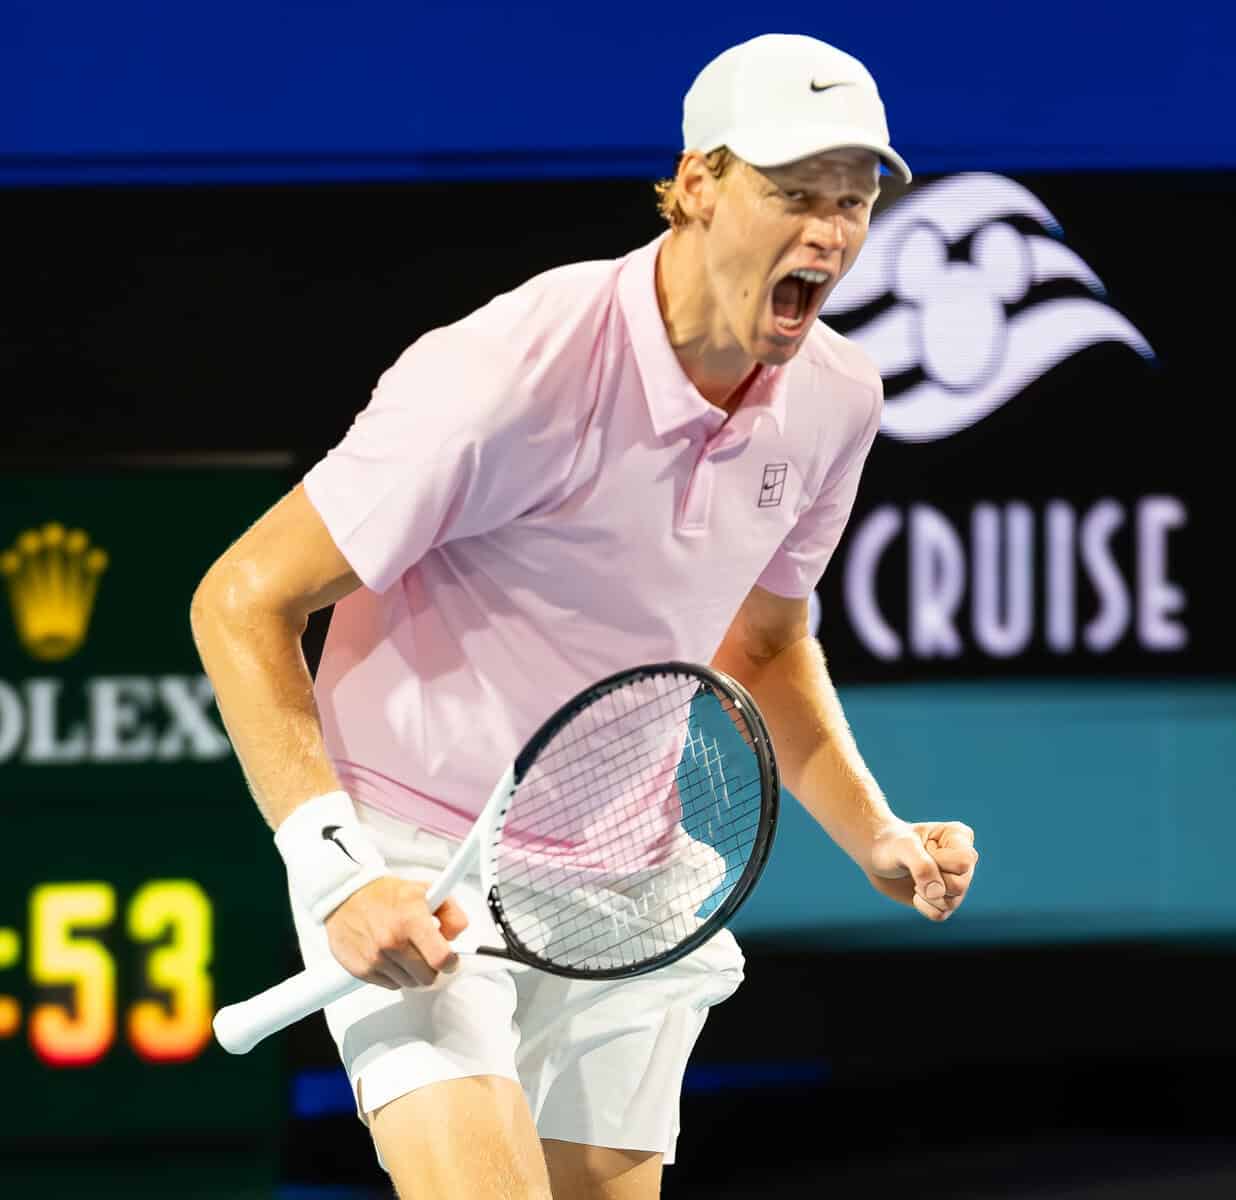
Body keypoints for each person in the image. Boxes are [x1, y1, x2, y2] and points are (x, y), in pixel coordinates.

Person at [192, 32, 978, 1200]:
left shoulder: (837, 399)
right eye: (795, 193)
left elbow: (760, 642)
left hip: (622, 887)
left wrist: (875, 832)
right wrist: (339, 872)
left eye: (854, 201)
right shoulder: (512, 372)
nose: (830, 231)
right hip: (417, 858)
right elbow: (242, 600)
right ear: (698, 184)